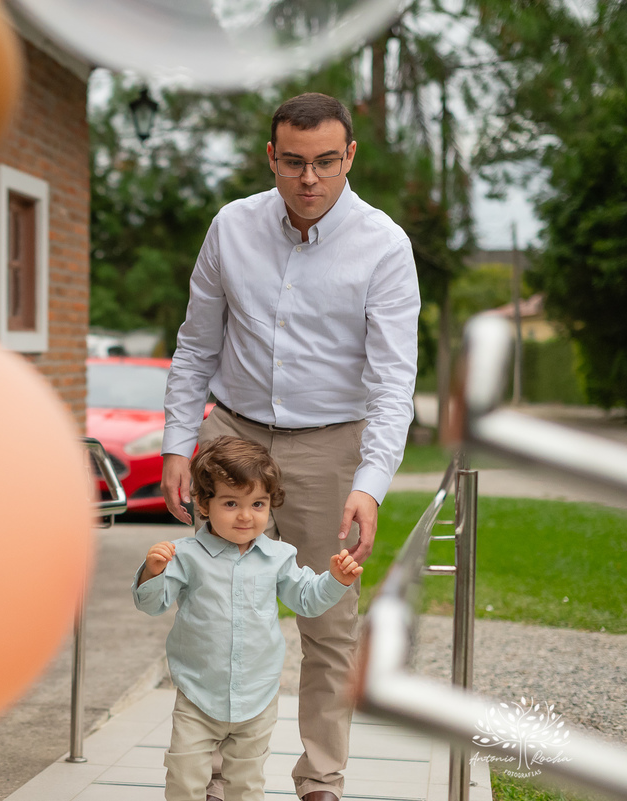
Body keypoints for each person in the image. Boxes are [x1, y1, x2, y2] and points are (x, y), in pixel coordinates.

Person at [159, 92, 419, 801]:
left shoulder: (384, 246)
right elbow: (195, 344)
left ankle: (320, 780)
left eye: (327, 162)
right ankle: (211, 778)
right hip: (232, 437)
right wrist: (179, 443)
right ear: (271, 157)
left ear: (350, 157)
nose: (311, 179)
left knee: (329, 624)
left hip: (333, 444)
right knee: (213, 610)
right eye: (296, 162)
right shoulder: (231, 228)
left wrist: (369, 482)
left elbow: (395, 382)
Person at [135, 436, 363, 801]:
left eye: (258, 503)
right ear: (204, 504)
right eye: (231, 503)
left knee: (247, 782)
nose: (245, 515)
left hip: (256, 696)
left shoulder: (278, 556)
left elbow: (306, 599)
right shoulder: (187, 556)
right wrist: (152, 572)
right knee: (184, 777)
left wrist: (335, 581)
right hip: (198, 693)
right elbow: (153, 605)